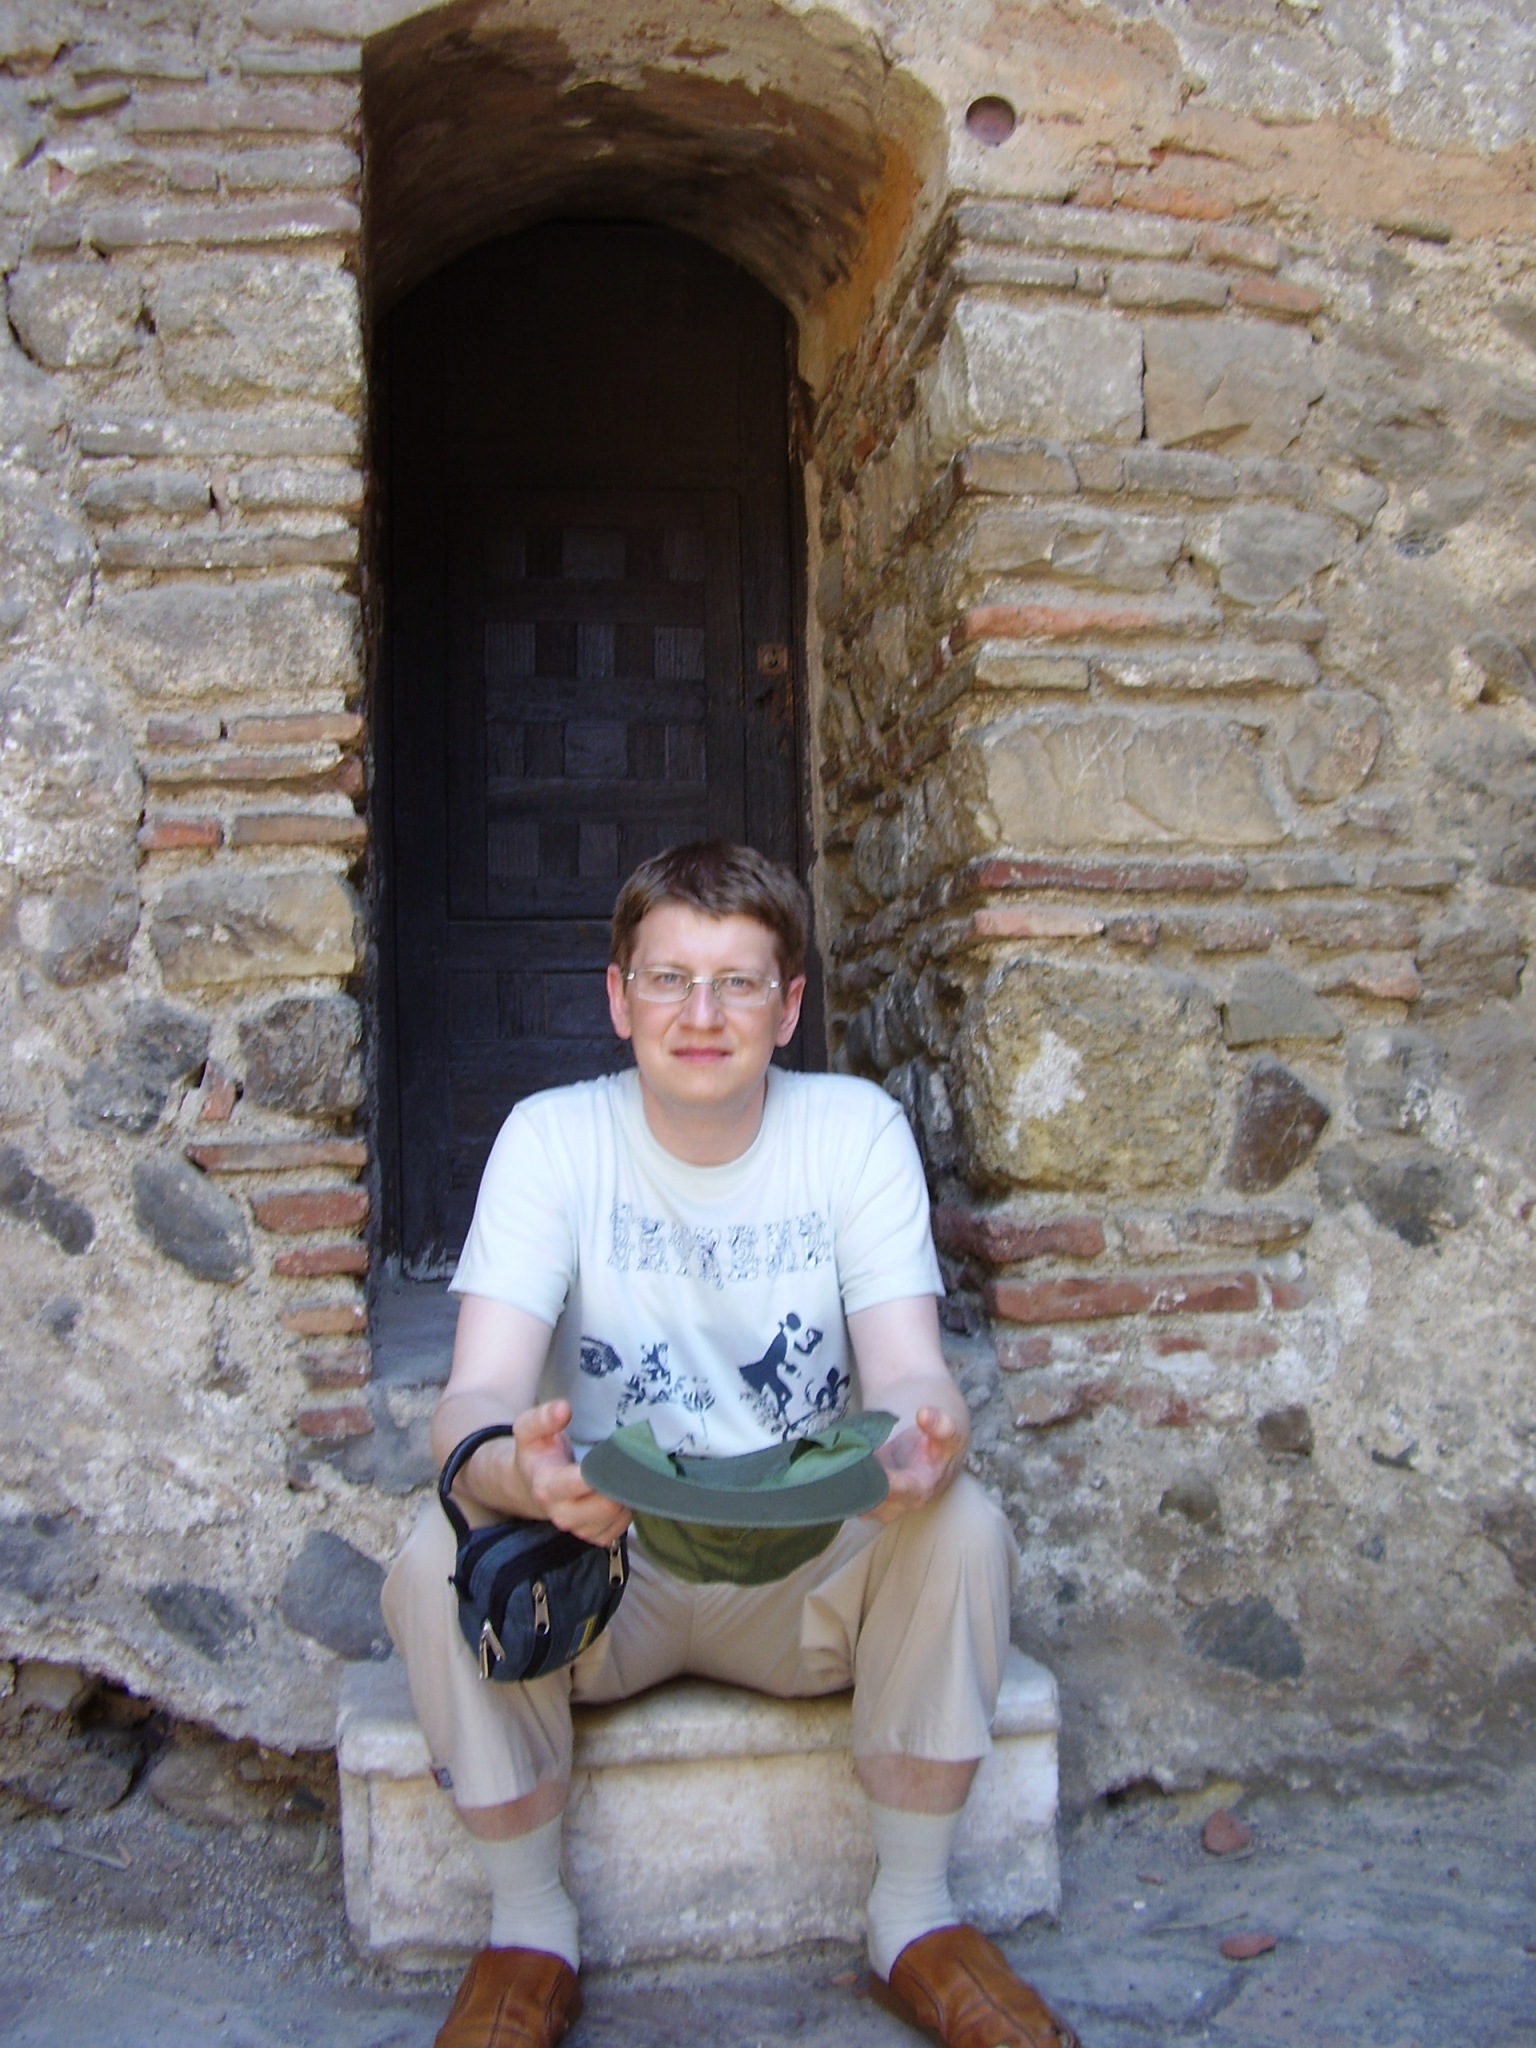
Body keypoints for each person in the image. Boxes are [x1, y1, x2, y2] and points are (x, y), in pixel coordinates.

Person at [383, 841, 1081, 2048]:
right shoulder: (552, 1137)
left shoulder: (852, 1130)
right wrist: (522, 1472)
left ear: (789, 1004)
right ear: (619, 997)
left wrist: (925, 1441)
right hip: (604, 1574)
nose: (700, 1014)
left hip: (803, 1571)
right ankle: (529, 1930)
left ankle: (916, 1916)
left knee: (963, 1524)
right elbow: (474, 1397)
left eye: (738, 982)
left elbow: (910, 1370)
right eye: (668, 978)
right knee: (427, 1554)